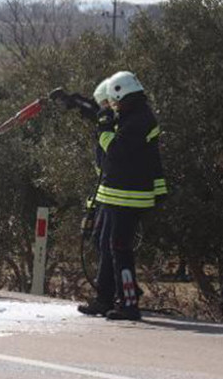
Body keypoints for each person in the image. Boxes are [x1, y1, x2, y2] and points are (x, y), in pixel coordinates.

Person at [77, 71, 166, 320]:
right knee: (105, 244)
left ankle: (129, 303)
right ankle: (105, 299)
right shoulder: (131, 115)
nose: (113, 107)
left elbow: (116, 150)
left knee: (119, 247)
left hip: (129, 197)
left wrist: (104, 127)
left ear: (121, 94)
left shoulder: (140, 120)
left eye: (114, 102)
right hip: (116, 194)